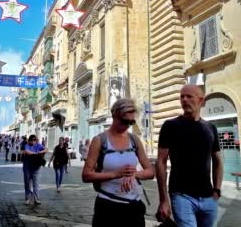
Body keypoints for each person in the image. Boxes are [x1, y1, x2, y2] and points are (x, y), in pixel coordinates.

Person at [156, 85, 223, 227]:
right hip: (182, 196)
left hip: (208, 197)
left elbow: (217, 161)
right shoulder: (170, 126)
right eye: (182, 96)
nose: (184, 100)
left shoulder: (210, 128)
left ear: (201, 101)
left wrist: (217, 190)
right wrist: (163, 199)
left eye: (189, 96)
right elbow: (161, 161)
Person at [82, 98, 154, 227]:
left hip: (134, 208)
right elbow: (86, 175)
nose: (127, 125)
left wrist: (135, 175)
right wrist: (116, 174)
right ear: (114, 115)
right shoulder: (100, 140)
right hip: (108, 207)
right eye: (124, 121)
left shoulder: (134, 140)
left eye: (131, 122)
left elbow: (150, 172)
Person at [22, 134, 47, 205]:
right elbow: (27, 152)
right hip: (27, 167)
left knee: (36, 183)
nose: (33, 142)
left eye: (34, 140)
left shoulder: (38, 145)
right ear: (29, 140)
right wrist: (36, 153)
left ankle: (36, 198)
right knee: (27, 183)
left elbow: (46, 149)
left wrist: (41, 152)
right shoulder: (27, 145)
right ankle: (28, 198)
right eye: (32, 140)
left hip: (36, 167)